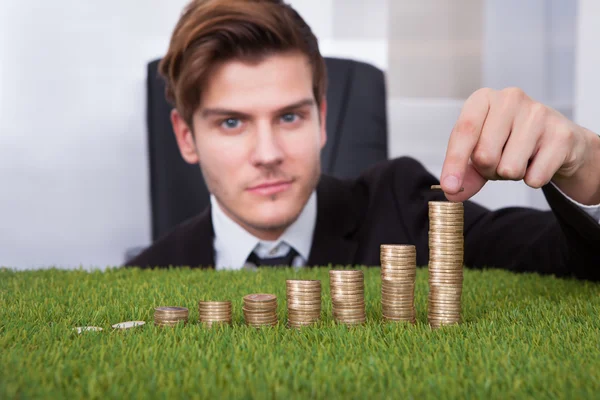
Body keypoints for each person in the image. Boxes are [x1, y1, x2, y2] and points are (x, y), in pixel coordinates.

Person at [126, 0, 600, 281]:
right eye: (232, 123)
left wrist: (589, 169)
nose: (267, 154)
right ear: (186, 138)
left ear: (322, 119)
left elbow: (572, 262)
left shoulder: (400, 204)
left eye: (290, 116)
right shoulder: (146, 277)